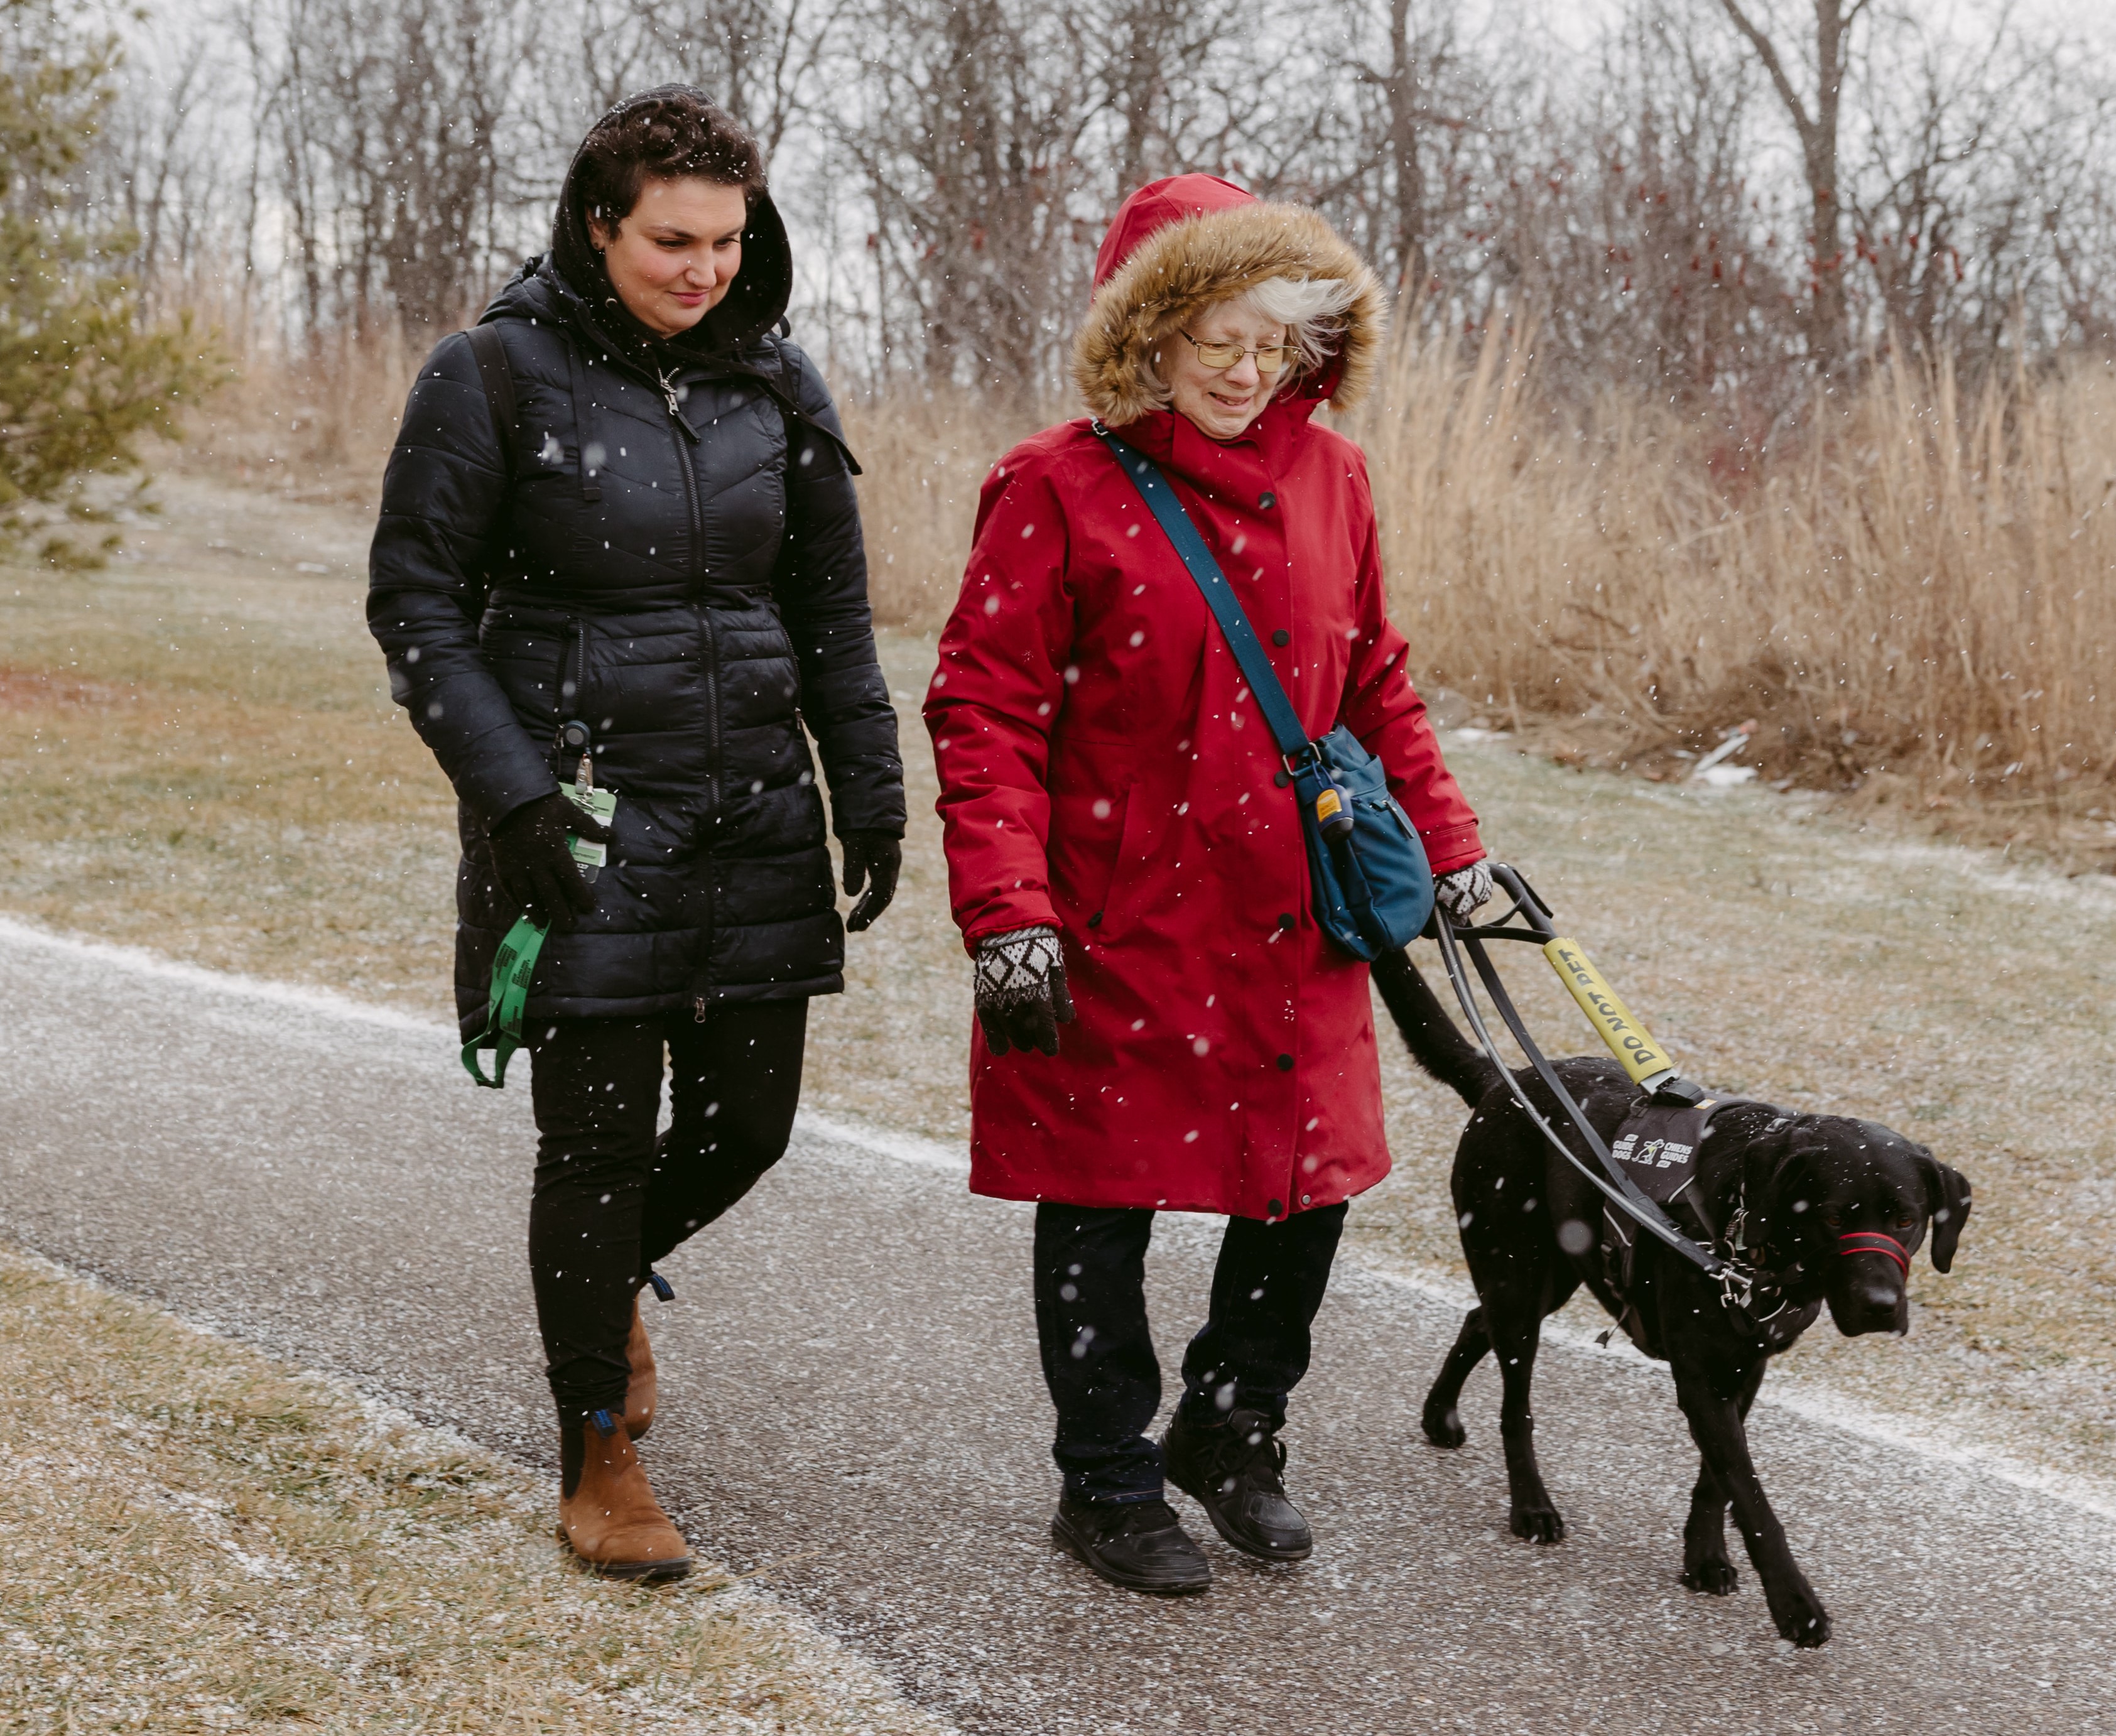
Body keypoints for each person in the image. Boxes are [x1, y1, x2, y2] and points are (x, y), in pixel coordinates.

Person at [925, 175, 1495, 1596]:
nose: (1248, 369)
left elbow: (1374, 687)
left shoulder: (1335, 478)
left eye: (1276, 339)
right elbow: (981, 710)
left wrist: (1457, 849)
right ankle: (1105, 1475)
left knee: (1307, 1185)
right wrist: (1008, 915)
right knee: (1101, 1193)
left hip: (1294, 906)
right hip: (1115, 913)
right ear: (1147, 337)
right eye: (1214, 338)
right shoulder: (1053, 484)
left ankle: (1232, 1427)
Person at [367, 87, 904, 1580]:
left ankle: (597, 1289)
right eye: (673, 239)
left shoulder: (780, 385)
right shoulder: (490, 375)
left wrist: (869, 788)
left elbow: (830, 616)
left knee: (751, 1125)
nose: (704, 269)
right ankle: (593, 1448)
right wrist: (513, 795)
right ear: (595, 224)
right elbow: (414, 602)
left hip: (753, 819)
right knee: (594, 1138)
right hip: (581, 818)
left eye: (728, 240)